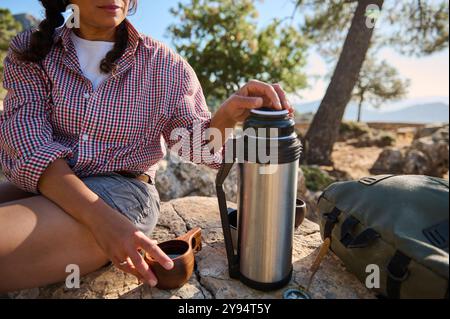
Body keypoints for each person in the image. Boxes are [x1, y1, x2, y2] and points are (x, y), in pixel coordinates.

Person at [0, 0, 293, 293]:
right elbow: (28, 143)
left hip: (123, 194)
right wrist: (103, 223)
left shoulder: (165, 64)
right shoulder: (32, 50)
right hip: (48, 184)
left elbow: (195, 146)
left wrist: (226, 116)